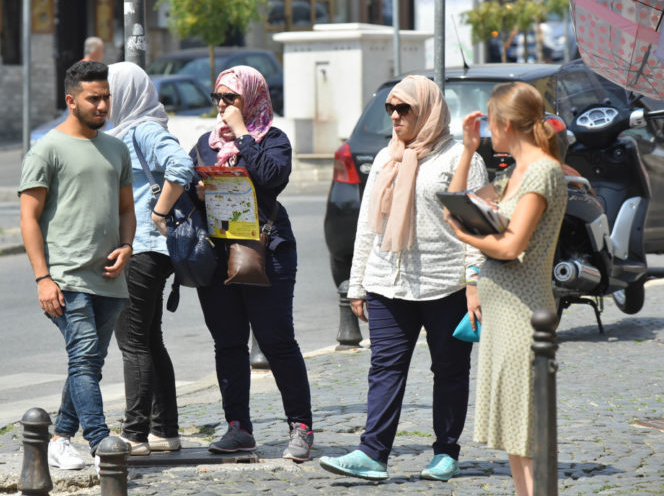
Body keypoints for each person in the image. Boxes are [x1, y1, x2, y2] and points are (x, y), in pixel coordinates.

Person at [318, 75, 488, 482]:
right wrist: (357, 282)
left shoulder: (459, 159)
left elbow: (476, 229)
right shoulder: (385, 158)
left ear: (426, 110)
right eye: (390, 109)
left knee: (449, 370)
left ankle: (446, 451)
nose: (394, 116)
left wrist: (473, 284)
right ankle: (372, 453)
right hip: (387, 284)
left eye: (404, 109)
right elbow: (366, 226)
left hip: (444, 284)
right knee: (385, 368)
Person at [445, 81, 567, 496]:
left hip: (523, 313)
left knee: (526, 434)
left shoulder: (542, 171)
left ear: (505, 123)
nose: (488, 130)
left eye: (490, 121)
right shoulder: (515, 172)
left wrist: (468, 240)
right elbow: (457, 201)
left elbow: (513, 245)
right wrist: (466, 149)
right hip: (503, 313)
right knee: (515, 437)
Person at [192, 65, 314, 462]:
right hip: (219, 257)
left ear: (252, 99)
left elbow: (271, 177)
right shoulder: (205, 145)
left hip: (267, 251)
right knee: (228, 344)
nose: (224, 106)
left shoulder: (272, 140)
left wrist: (243, 132)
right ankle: (238, 427)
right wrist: (195, 191)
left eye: (232, 98)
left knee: (277, 341)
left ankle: (300, 426)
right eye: (219, 98)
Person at [19, 60, 135, 471]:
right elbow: (29, 217)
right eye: (94, 98)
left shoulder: (116, 148)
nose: (103, 104)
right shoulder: (47, 148)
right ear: (71, 101)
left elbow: (126, 209)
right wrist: (43, 278)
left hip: (109, 277)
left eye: (106, 96)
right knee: (85, 356)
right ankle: (102, 441)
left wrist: (127, 245)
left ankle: (60, 438)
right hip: (65, 277)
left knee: (88, 363)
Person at [106, 61, 194, 455]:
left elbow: (181, 165)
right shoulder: (127, 129)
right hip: (147, 249)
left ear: (126, 93)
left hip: (143, 247)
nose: (106, 102)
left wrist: (158, 212)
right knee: (149, 340)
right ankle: (164, 430)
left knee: (133, 343)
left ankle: (135, 433)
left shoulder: (144, 128)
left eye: (109, 93)